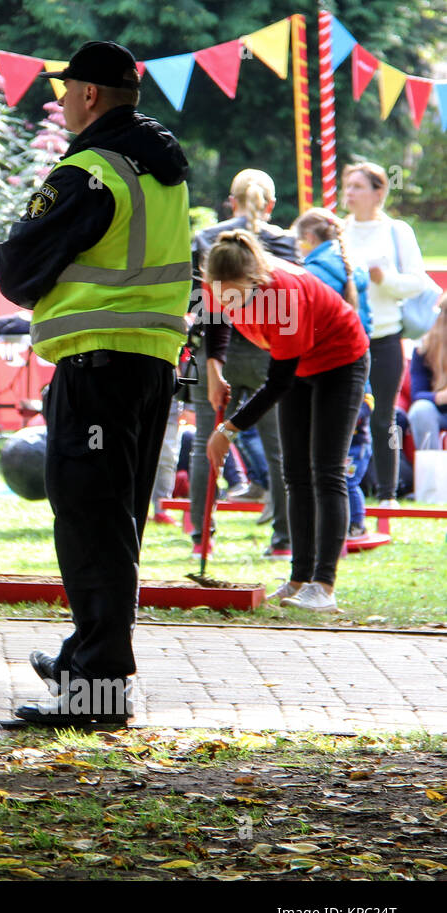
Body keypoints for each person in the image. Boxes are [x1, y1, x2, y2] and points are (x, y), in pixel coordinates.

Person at [0, 41, 191, 727]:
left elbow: (17, 268)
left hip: (97, 365)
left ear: (87, 96)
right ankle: (89, 653)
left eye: (64, 89)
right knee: (116, 520)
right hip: (149, 362)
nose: (58, 99)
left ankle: (97, 689)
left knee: (90, 522)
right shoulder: (161, 164)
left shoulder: (92, 170)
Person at [204, 231, 370, 613]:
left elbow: (278, 382)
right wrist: (214, 370)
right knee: (294, 473)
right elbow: (215, 323)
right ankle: (299, 578)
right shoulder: (217, 283)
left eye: (236, 294)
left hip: (340, 361)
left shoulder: (284, 293)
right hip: (299, 365)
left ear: (255, 280)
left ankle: (323, 587)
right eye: (221, 294)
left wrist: (228, 430)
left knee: (325, 471)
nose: (228, 302)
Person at [188, 169, 297, 559]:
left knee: (206, 441)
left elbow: (200, 304)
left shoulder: (206, 237)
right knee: (279, 447)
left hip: (219, 350)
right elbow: (291, 305)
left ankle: (202, 535)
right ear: (270, 204)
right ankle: (283, 540)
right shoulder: (287, 241)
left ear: (230, 201)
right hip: (272, 351)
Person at [343, 162, 429, 508]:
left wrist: (385, 280)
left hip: (386, 338)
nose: (349, 193)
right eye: (347, 186)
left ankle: (389, 493)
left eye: (358, 187)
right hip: (347, 339)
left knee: (383, 418)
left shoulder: (398, 232)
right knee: (346, 416)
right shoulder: (338, 229)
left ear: (379, 192)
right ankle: (348, 489)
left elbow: (417, 282)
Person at [293, 207, 374, 538]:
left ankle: (342, 529)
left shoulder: (314, 272)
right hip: (361, 379)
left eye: (298, 242)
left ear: (310, 238)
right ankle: (354, 523)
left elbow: (308, 325)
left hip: (329, 374)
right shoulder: (352, 266)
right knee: (343, 466)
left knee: (329, 470)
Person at [408, 301, 447, 453]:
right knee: (420, 410)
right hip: (439, 412)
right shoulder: (424, 350)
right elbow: (417, 395)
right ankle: (432, 473)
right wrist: (440, 397)